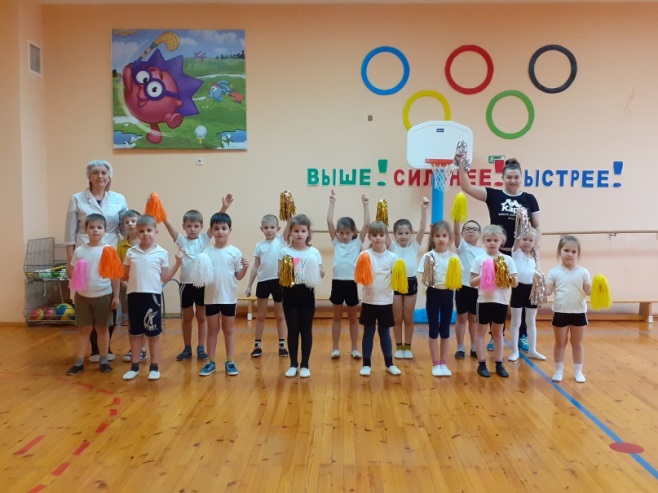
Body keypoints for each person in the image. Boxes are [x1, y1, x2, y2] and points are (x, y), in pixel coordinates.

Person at [459, 157, 540, 353]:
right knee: (495, 296)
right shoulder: (494, 195)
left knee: (520, 295)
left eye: (516, 177)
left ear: (521, 177)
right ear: (503, 178)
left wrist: (535, 252)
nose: (513, 180)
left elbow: (537, 226)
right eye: (509, 177)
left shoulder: (529, 199)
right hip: (497, 254)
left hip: (520, 255)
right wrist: (461, 165)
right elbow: (466, 187)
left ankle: (522, 335)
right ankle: (496, 335)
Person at [65, 159, 128, 362]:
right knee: (87, 297)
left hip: (109, 252)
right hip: (84, 254)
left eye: (103, 173)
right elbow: (69, 232)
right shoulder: (77, 199)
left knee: (108, 300)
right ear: (89, 176)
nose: (100, 176)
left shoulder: (119, 199)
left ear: (109, 177)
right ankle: (93, 350)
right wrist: (69, 261)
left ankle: (105, 349)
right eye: (95, 172)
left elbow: (125, 228)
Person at [163, 195, 233, 363]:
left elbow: (215, 223)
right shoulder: (181, 241)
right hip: (185, 285)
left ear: (201, 227)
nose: (192, 229)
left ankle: (201, 347)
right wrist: (162, 215)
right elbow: (169, 227)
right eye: (189, 226)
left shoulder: (203, 239)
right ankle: (187, 348)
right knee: (187, 318)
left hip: (202, 285)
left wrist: (224, 207)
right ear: (184, 227)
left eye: (196, 226)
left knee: (202, 318)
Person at [122, 215, 182, 381]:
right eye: (141, 231)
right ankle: (134, 366)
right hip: (134, 297)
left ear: (156, 232)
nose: (145, 234)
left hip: (152, 298)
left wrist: (178, 263)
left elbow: (165, 277)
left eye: (149, 230)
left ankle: (154, 366)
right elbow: (124, 275)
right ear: (137, 232)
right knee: (135, 333)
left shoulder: (162, 253)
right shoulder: (131, 252)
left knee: (153, 334)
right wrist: (111, 267)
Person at [66, 214, 120, 375]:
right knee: (85, 329)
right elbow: (73, 272)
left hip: (103, 295)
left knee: (102, 329)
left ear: (105, 230)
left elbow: (115, 276)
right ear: (85, 230)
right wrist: (74, 277)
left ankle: (104, 360)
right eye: (91, 227)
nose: (95, 230)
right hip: (82, 297)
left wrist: (116, 296)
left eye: (99, 227)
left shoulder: (109, 250)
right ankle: (79, 361)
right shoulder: (80, 251)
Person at [199, 212, 249, 377]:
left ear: (230, 230)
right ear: (211, 231)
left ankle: (230, 361)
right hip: (211, 298)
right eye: (216, 228)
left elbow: (238, 276)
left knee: (229, 330)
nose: (220, 231)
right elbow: (202, 276)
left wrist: (245, 268)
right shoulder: (206, 253)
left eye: (223, 228)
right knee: (212, 330)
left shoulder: (235, 252)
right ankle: (211, 362)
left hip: (228, 298)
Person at [279, 214, 324, 378]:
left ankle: (305, 364)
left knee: (306, 330)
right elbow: (279, 275)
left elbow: (322, 273)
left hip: (307, 293)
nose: (299, 234)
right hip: (290, 293)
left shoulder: (314, 252)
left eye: (303, 231)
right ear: (290, 232)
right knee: (293, 329)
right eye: (296, 231)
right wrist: (285, 269)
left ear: (308, 233)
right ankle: (293, 364)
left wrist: (316, 270)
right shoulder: (285, 252)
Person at [326, 190, 369, 360]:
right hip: (337, 282)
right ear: (337, 233)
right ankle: (335, 348)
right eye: (341, 233)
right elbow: (329, 221)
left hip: (351, 283)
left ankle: (354, 348)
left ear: (353, 232)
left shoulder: (357, 243)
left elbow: (367, 224)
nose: (344, 236)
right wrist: (332, 202)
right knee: (337, 317)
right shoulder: (336, 242)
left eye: (347, 233)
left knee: (352, 318)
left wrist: (365, 204)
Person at [470, 225, 518, 378]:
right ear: (483, 241)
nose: (492, 243)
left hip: (501, 301)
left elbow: (515, 283)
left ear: (501, 241)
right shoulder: (479, 259)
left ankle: (499, 363)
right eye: (489, 240)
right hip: (483, 301)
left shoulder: (507, 260)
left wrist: (502, 273)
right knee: (481, 332)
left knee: (498, 333)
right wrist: (484, 273)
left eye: (495, 240)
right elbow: (472, 283)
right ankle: (481, 364)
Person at [356, 221, 402, 377]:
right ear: (369, 237)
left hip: (386, 302)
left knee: (385, 333)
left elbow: (397, 279)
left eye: (381, 235)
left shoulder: (393, 257)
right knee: (368, 332)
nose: (378, 238)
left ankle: (389, 364)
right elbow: (359, 276)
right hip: (369, 301)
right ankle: (366, 364)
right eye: (374, 235)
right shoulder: (364, 256)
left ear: (386, 236)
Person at [388, 196, 430, 360]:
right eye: (400, 233)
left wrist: (423, 210)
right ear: (394, 235)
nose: (404, 236)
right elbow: (382, 228)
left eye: (407, 233)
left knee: (408, 317)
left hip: (411, 282)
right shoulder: (392, 246)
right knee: (397, 318)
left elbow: (422, 228)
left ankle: (408, 346)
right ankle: (399, 346)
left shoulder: (414, 245)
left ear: (411, 234)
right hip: (396, 283)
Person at [545, 235, 591, 383]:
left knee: (577, 344)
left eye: (573, 251)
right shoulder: (554, 272)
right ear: (560, 251)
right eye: (566, 250)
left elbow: (588, 290)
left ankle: (578, 372)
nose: (569, 254)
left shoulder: (583, 272)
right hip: (560, 312)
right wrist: (539, 285)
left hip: (579, 312)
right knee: (560, 343)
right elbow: (548, 291)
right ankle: (558, 371)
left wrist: (598, 288)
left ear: (578, 253)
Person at [417, 221, 460, 377]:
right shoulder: (428, 256)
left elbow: (457, 277)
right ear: (432, 238)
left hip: (448, 294)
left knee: (445, 330)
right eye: (437, 236)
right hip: (433, 294)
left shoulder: (454, 258)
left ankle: (443, 363)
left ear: (449, 238)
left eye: (444, 235)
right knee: (433, 329)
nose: (441, 239)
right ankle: (435, 363)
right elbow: (423, 277)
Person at [245, 214, 290, 358]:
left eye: (272, 227)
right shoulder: (259, 246)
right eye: (266, 228)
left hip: (278, 282)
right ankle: (257, 346)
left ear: (278, 228)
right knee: (261, 316)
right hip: (263, 282)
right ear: (261, 229)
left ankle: (282, 345)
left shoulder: (281, 240)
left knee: (280, 315)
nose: (269, 230)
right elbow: (255, 266)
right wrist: (249, 285)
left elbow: (290, 223)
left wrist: (288, 209)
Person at [509, 228, 546, 362]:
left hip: (531, 291)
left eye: (531, 240)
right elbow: (518, 238)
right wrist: (522, 226)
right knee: (516, 322)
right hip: (518, 289)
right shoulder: (516, 253)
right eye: (524, 239)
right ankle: (514, 350)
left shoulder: (535, 257)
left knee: (531, 322)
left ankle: (532, 350)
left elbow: (538, 277)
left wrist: (539, 297)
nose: (527, 242)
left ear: (534, 242)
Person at [117, 209, 147, 364]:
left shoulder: (145, 242)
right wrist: (124, 283)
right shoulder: (121, 245)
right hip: (128, 289)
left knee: (145, 320)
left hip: (144, 288)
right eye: (126, 222)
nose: (130, 224)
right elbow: (119, 269)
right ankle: (133, 349)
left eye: (133, 221)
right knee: (131, 321)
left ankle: (143, 349)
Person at [453, 218, 484, 359]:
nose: (471, 231)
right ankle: (460, 346)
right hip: (462, 286)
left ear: (479, 234)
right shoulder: (462, 246)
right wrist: (457, 218)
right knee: (461, 317)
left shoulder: (483, 252)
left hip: (477, 289)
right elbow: (455, 232)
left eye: (474, 229)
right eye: (467, 229)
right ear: (462, 233)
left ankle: (473, 346)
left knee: (473, 318)